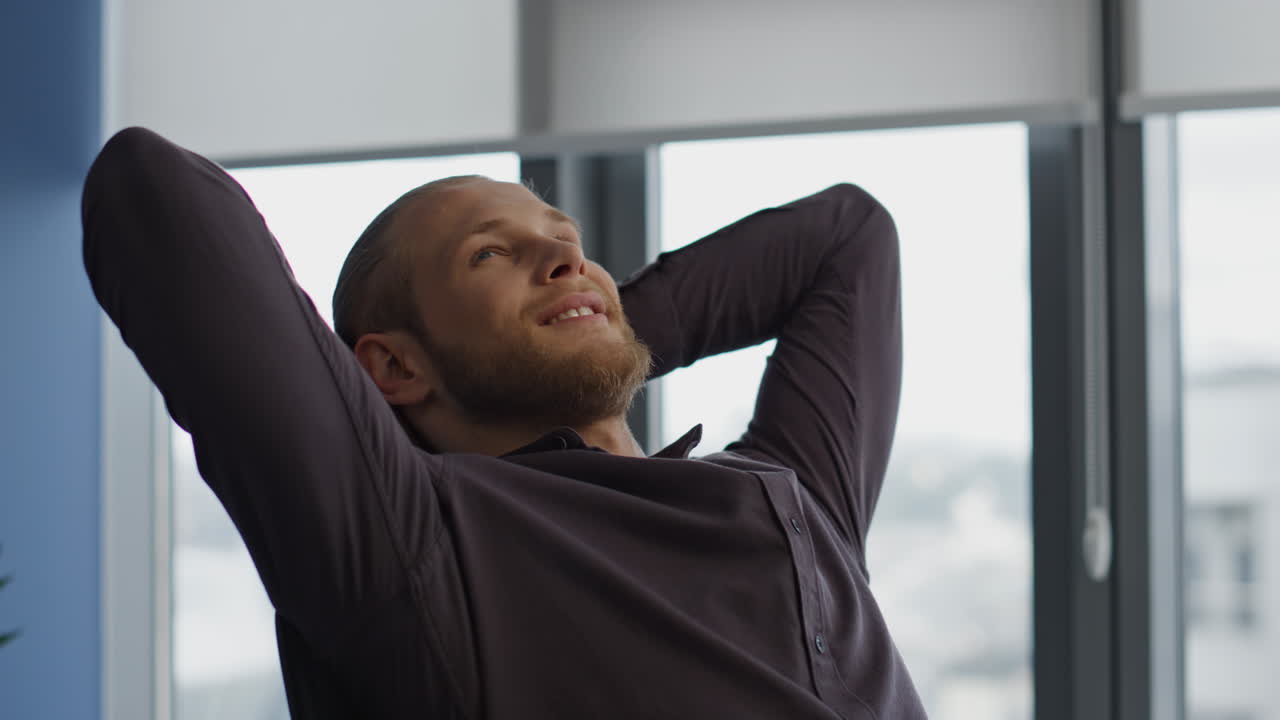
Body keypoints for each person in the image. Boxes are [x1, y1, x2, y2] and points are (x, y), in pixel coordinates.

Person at [82, 127, 927, 719]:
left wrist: (599, 329)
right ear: (395, 368)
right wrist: (571, 329)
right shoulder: (416, 547)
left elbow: (848, 238)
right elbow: (150, 191)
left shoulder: (793, 487)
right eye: (490, 254)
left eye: (566, 240)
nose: (566, 257)